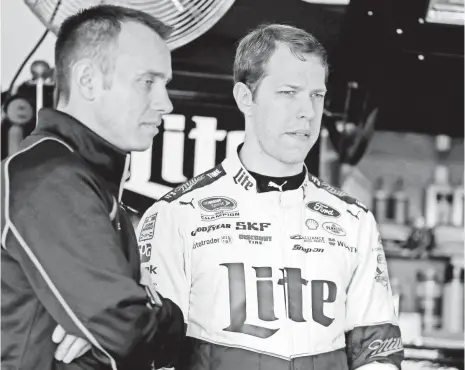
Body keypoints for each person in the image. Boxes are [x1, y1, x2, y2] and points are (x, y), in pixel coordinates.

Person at [136, 24, 404, 370]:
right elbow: (154, 356)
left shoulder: (354, 221)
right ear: (245, 98)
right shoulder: (177, 215)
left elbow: (377, 350)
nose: (307, 111)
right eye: (289, 92)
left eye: (316, 95)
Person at [1, 5, 184, 370]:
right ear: (87, 80)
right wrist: (163, 312)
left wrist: (133, 314)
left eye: (165, 85)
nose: (165, 103)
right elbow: (126, 330)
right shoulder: (50, 177)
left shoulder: (84, 174)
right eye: (147, 82)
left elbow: (121, 329)